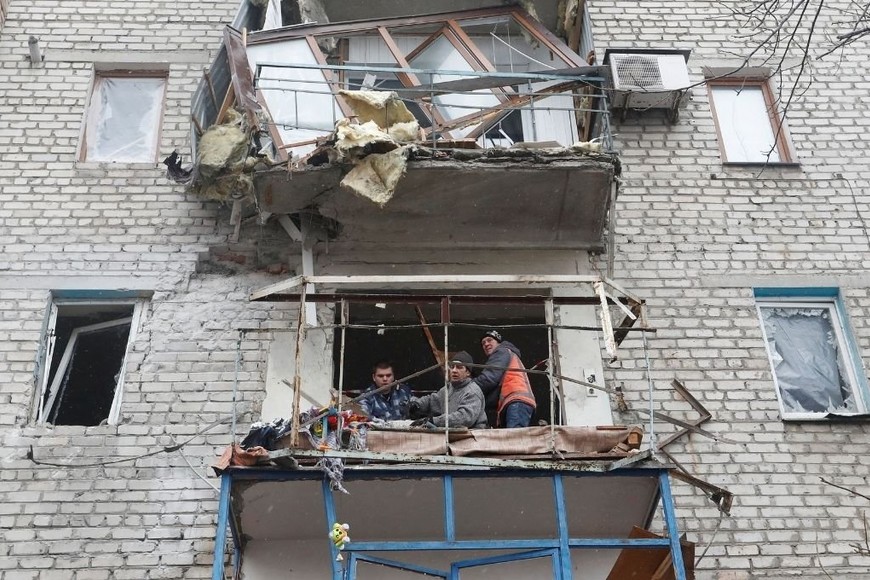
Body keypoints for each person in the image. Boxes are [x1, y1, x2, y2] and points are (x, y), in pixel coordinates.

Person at [408, 351, 487, 429]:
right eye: (452, 367)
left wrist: (434, 421)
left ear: (468, 372)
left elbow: (464, 418)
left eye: (459, 367)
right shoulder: (448, 388)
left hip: (473, 435)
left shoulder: (472, 391)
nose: (454, 370)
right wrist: (417, 405)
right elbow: (432, 400)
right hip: (452, 434)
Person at [475, 330, 537, 428]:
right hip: (516, 402)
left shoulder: (502, 351)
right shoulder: (507, 354)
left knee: (514, 436)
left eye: (489, 340)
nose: (486, 344)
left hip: (516, 401)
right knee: (512, 436)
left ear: (498, 342)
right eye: (483, 343)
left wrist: (468, 388)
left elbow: (489, 378)